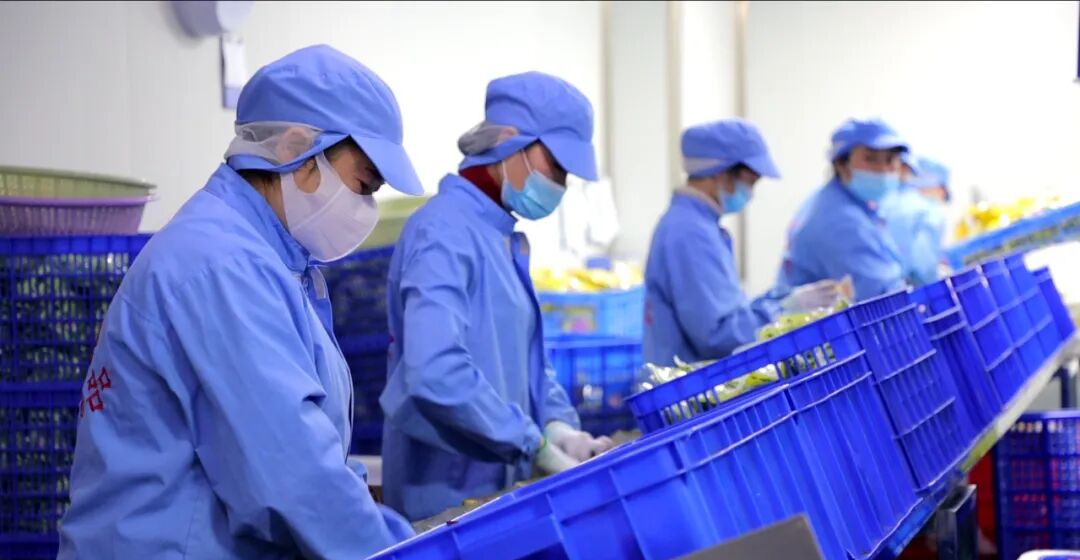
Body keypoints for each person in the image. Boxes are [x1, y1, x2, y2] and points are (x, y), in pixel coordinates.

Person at [44, 45, 421, 560]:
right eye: (363, 185)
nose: (365, 207)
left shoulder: (274, 262)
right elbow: (293, 470)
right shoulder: (220, 265)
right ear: (296, 150)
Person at [380, 72, 614, 522]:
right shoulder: (444, 232)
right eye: (556, 165)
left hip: (492, 491)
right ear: (509, 142)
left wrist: (557, 426)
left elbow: (525, 363)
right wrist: (532, 442)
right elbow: (435, 371)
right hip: (444, 497)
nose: (560, 184)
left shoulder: (499, 237)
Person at [642, 119, 784, 365]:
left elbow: (726, 310)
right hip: (690, 383)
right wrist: (783, 314)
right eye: (750, 182)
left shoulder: (696, 224)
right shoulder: (690, 233)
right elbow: (718, 335)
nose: (751, 193)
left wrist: (781, 300)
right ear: (721, 174)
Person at [777, 118, 910, 302]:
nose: (884, 169)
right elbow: (881, 295)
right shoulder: (841, 221)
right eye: (870, 159)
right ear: (841, 164)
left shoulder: (836, 201)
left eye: (890, 160)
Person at [880, 154, 951, 285]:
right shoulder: (928, 211)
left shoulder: (887, 202)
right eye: (943, 192)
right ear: (936, 186)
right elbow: (923, 267)